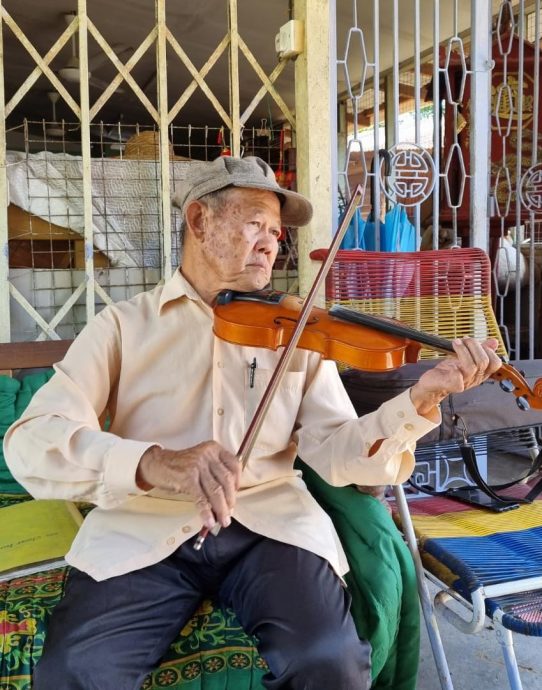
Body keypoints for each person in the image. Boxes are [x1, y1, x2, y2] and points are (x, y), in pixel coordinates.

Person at [4, 155, 502, 690]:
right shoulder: (123, 326)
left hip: (271, 527)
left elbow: (339, 456)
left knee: (329, 659)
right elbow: (32, 440)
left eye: (276, 232)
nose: (271, 243)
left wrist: (420, 400)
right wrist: (154, 463)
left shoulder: (295, 334)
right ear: (199, 221)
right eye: (254, 225)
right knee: (73, 673)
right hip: (143, 524)